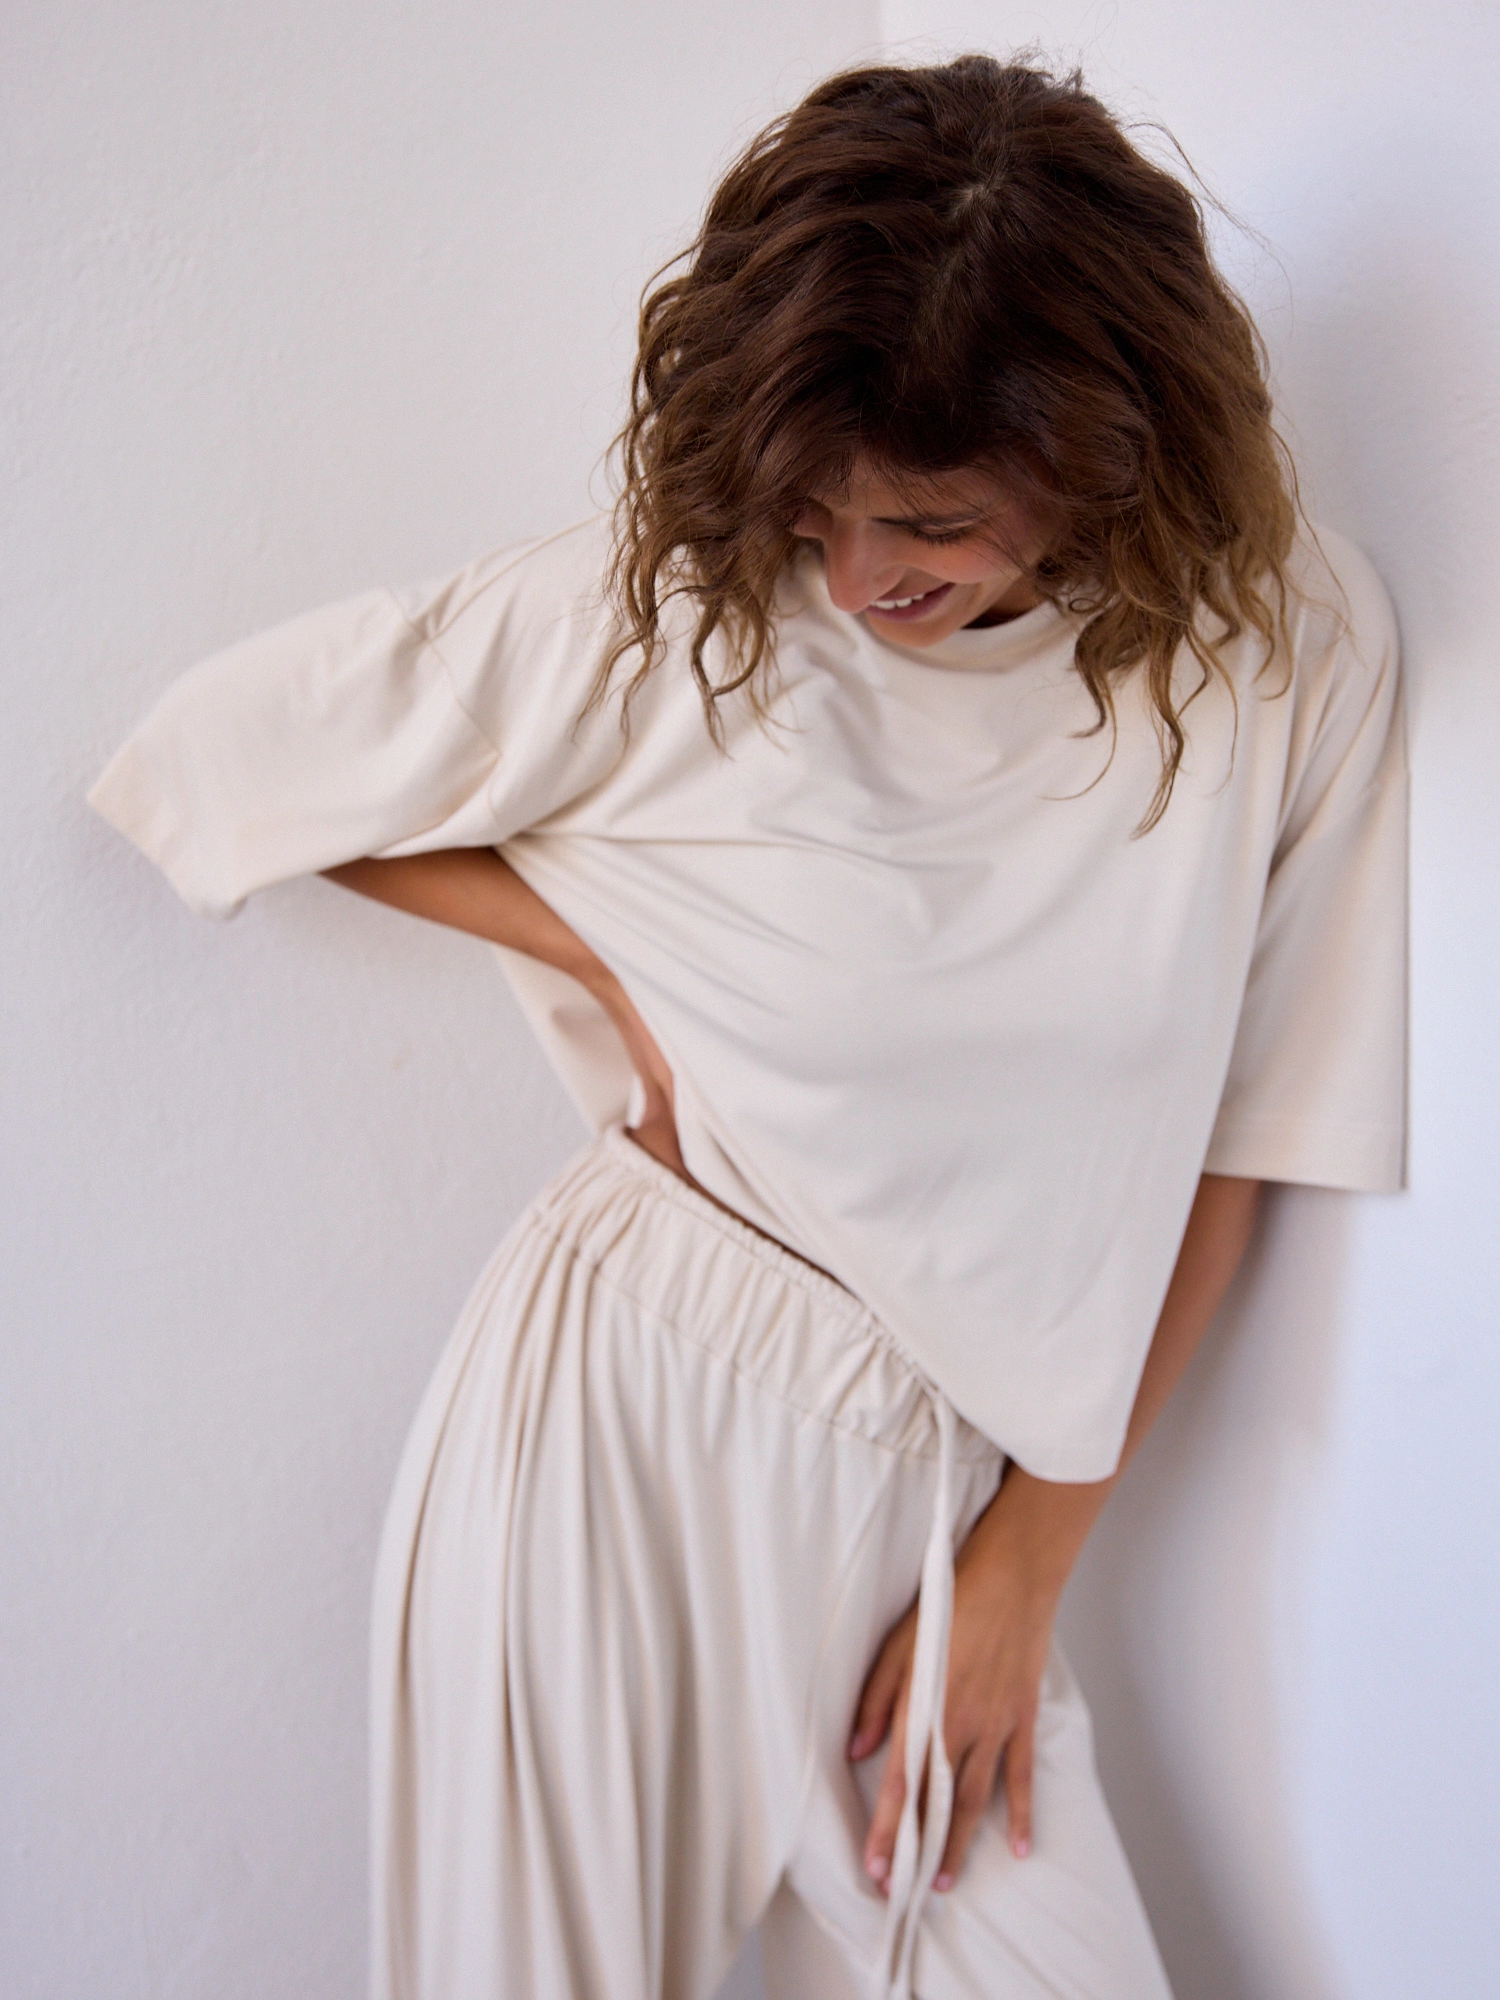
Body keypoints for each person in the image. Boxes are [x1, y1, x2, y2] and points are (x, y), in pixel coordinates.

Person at [87, 53, 1406, 2000]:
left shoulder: (1288, 650)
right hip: (621, 1433)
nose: (860, 580)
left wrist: (1029, 1566)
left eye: (931, 525)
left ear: (1107, 448)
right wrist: (610, 954)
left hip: (952, 1495)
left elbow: (1247, 1136)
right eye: (821, 511)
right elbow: (213, 763)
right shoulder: (694, 612)